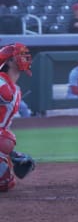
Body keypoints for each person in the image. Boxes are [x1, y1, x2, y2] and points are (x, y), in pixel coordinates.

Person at [0, 43, 36, 191]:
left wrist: (12, 155)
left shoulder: (14, 88)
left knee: (7, 183)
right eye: (19, 55)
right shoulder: (1, 83)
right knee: (5, 139)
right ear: (8, 61)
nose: (24, 57)